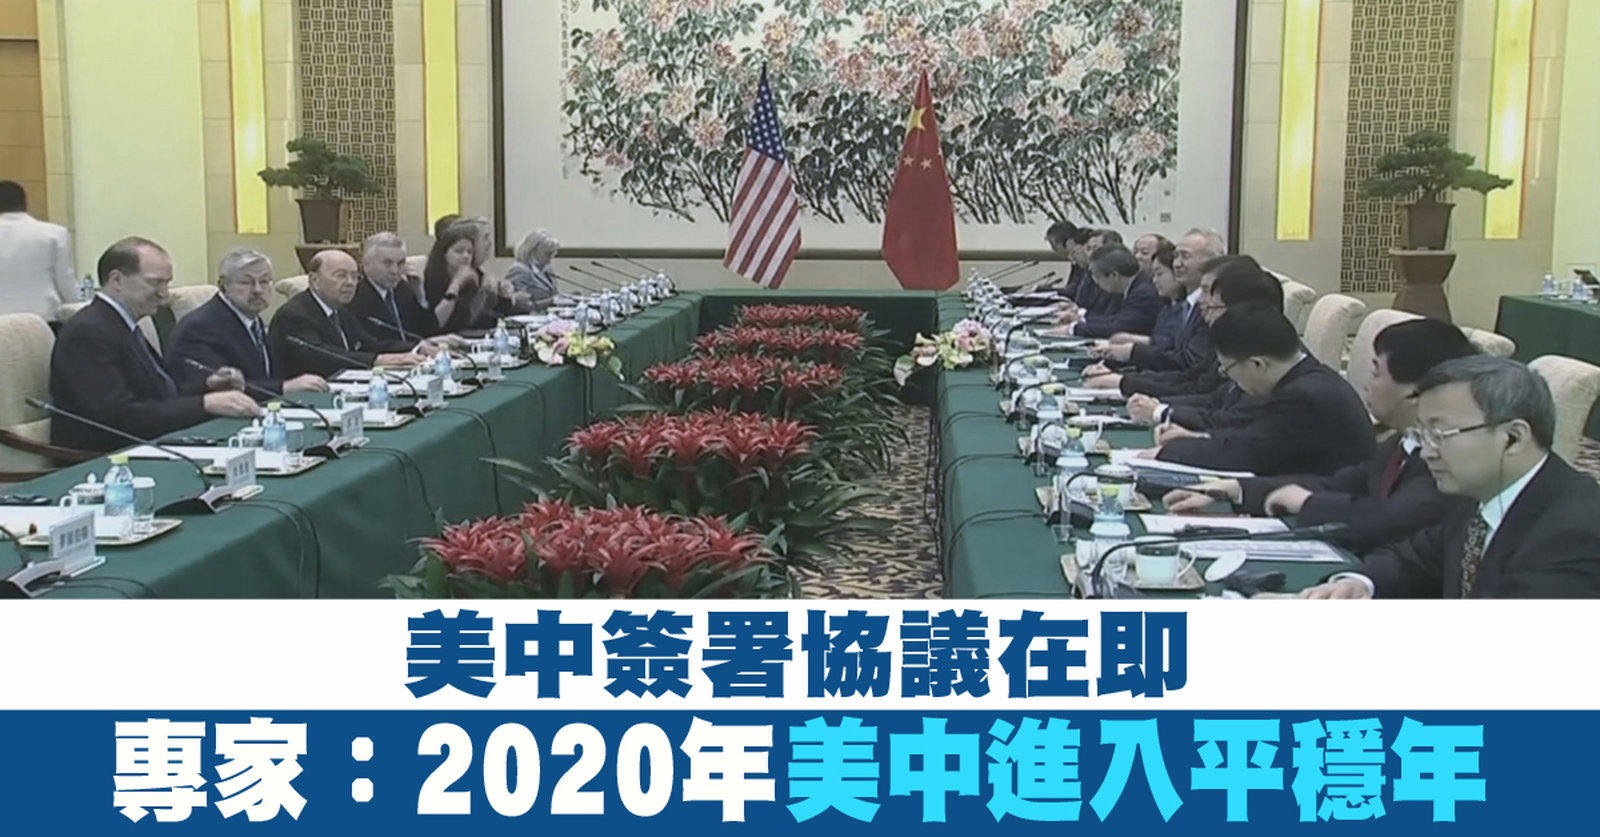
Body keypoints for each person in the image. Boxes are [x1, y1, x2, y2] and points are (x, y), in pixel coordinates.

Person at [1164, 318, 1479, 552]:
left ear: (1416, 392)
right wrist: (1238, 489)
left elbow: (1389, 519)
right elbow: (1342, 483)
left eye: (1376, 373)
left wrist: (1307, 502)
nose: (1367, 384)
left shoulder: (1447, 456)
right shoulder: (1403, 441)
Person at [1301, 356, 1600, 598]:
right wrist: (1359, 583)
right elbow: (1417, 558)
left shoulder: (1574, 531)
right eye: (1422, 433)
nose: (1426, 452)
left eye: (1440, 434)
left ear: (1513, 438)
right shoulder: (1481, 494)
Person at [48, 237, 260, 451]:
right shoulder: (89, 331)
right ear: (117, 281)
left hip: (148, 445)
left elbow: (157, 393)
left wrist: (208, 386)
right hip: (104, 458)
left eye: (166, 283)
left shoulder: (122, 323)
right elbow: (116, 417)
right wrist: (205, 404)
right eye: (155, 283)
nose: (164, 294)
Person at [1146, 304, 1375, 477]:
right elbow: (1255, 436)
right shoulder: (1303, 377)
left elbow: (1248, 455)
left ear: (1257, 364)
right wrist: (1198, 437)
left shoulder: (1303, 396)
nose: (1230, 379)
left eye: (1228, 370)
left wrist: (1170, 451)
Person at [1119, 260, 1283, 410]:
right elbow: (1196, 381)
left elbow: (1216, 405)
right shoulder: (1227, 338)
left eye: (1208, 292)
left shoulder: (1255, 355)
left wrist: (1157, 409)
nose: (1203, 302)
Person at [167, 248, 329, 399]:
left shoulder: (252, 320)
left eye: (264, 281)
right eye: (246, 282)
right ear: (223, 286)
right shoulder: (200, 327)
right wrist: (283, 388)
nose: (258, 290)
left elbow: (265, 375)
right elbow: (224, 387)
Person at [269, 249, 432, 379]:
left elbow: (368, 344)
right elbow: (320, 356)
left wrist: (418, 348)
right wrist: (378, 360)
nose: (350, 283)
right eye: (341, 275)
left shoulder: (340, 309)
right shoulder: (295, 315)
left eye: (354, 276)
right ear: (314, 280)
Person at [1088, 228, 1224, 373]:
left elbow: (1189, 363)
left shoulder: (1213, 307)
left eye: (1185, 256)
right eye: (1176, 256)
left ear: (1213, 262)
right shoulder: (1183, 305)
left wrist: (1131, 358)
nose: (1177, 264)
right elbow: (1171, 345)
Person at [0, 181, 78, 323]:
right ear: (25, 203)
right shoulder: (54, 233)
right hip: (43, 318)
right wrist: (78, 306)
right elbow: (65, 280)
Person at [1053, 244, 1161, 338]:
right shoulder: (1133, 286)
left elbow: (1119, 327)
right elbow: (1115, 319)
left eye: (1096, 275)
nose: (1095, 282)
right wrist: (1081, 318)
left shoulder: (1143, 293)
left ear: (1114, 275)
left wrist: (1073, 329)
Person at [349, 232, 437, 339]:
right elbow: (372, 343)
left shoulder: (404, 288)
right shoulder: (354, 297)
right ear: (365, 263)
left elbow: (428, 331)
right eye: (387, 263)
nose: (395, 270)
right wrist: (416, 346)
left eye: (400, 263)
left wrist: (420, 296)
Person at [506, 229, 562, 310]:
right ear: (533, 251)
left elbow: (553, 294)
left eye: (553, 254)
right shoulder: (519, 270)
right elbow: (519, 305)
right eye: (547, 253)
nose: (551, 258)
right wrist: (551, 301)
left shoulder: (547, 269)